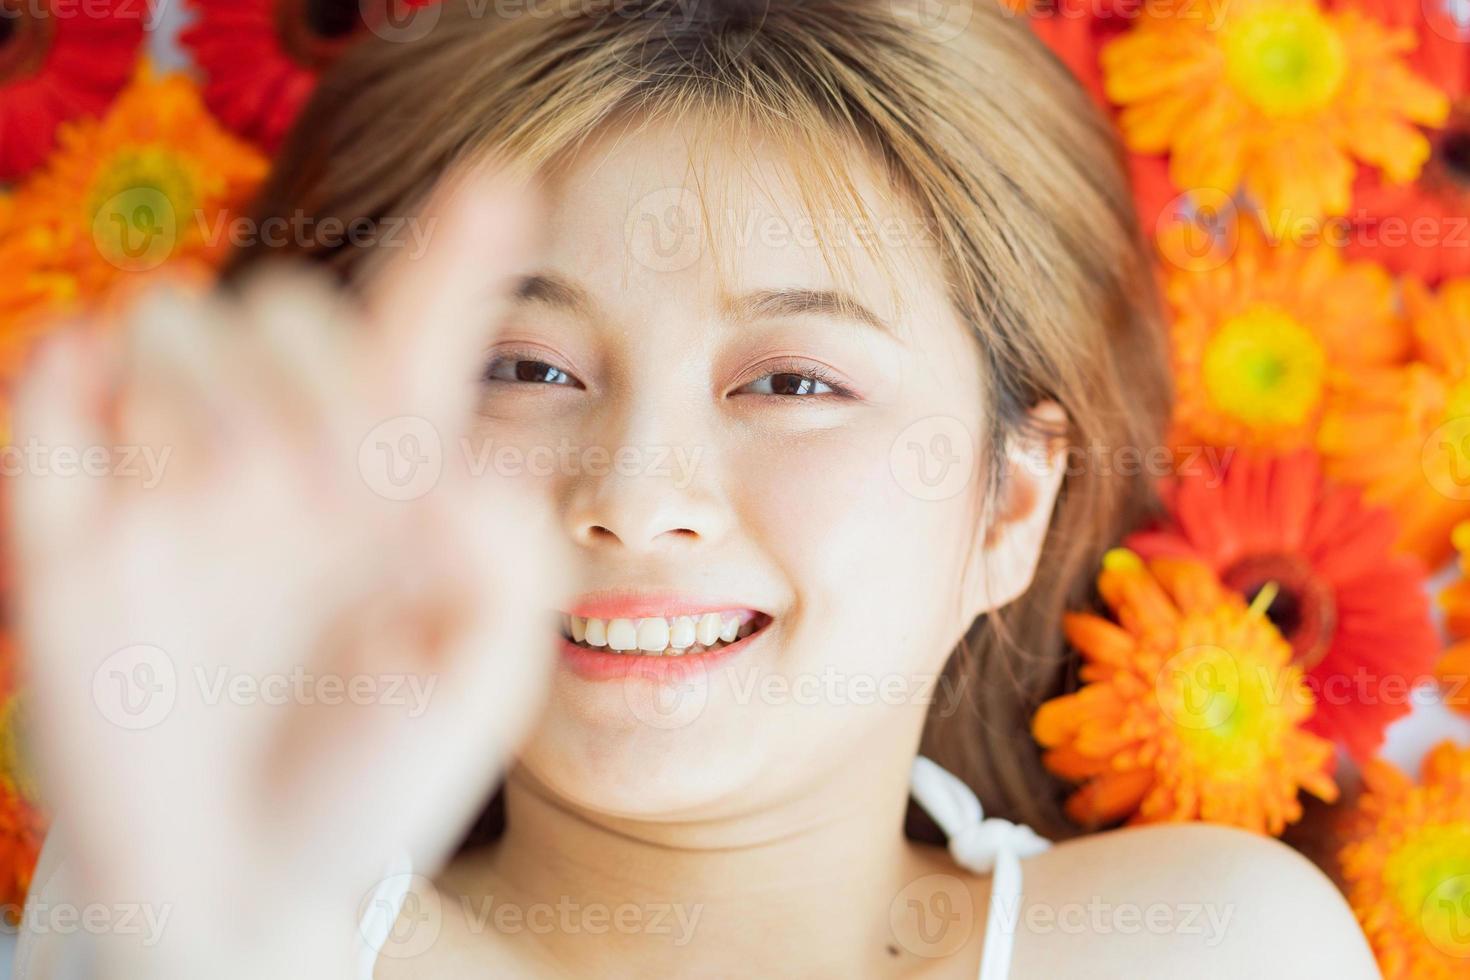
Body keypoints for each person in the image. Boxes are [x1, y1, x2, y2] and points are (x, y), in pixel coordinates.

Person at [10, 2, 1378, 977]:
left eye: (790, 384)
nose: (634, 494)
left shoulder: (1207, 948)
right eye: (524, 366)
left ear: (1008, 507)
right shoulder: (192, 896)